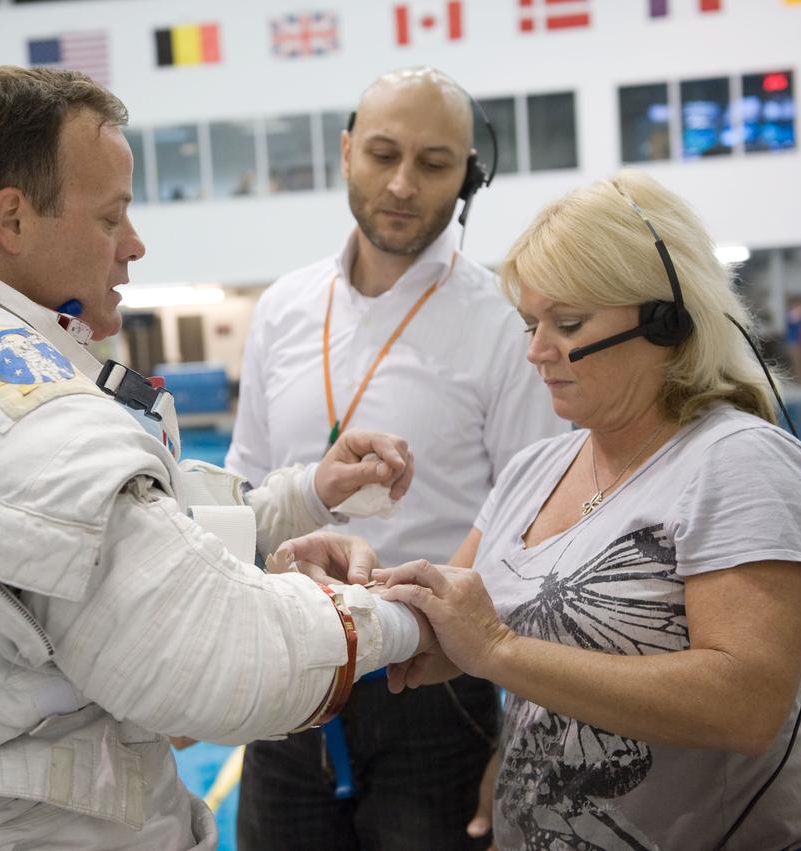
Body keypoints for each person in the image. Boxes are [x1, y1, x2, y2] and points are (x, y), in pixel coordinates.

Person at [0, 66, 436, 850]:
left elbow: (99, 543)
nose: (134, 244)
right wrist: (413, 618)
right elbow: (210, 652)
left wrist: (296, 503)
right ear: (13, 219)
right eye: (110, 216)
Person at [294, 170, 801, 850]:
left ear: (663, 318)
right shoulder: (536, 470)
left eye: (567, 324)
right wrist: (354, 588)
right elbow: (452, 633)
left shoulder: (740, 463)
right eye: (532, 324)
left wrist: (502, 651)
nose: (536, 351)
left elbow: (746, 703)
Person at [225, 66, 565, 850]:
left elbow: (541, 535)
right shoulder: (283, 309)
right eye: (382, 153)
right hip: (286, 677)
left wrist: (521, 729)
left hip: (436, 688)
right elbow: (236, 496)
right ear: (346, 153)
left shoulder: (502, 324)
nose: (404, 184)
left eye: (435, 163)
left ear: (468, 178)